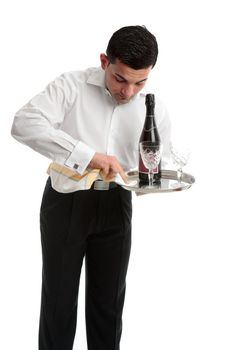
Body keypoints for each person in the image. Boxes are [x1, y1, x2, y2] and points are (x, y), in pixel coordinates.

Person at [11, 25, 171, 350]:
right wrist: (89, 156)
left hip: (116, 206)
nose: (129, 91)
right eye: (120, 79)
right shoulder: (71, 85)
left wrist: (156, 174)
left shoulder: (151, 108)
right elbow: (24, 123)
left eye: (140, 82)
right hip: (66, 203)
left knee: (109, 306)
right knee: (58, 304)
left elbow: (157, 160)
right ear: (104, 61)